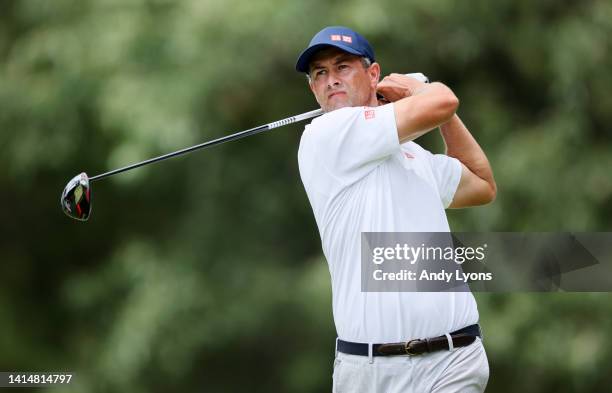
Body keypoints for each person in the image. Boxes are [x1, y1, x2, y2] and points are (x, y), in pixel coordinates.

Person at [295, 26, 497, 393]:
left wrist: (441, 115)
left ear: (373, 75)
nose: (331, 80)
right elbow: (442, 101)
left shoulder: (413, 154)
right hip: (370, 372)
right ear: (313, 89)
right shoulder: (324, 136)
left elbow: (481, 184)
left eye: (343, 67)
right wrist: (421, 93)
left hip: (454, 361)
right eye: (320, 73)